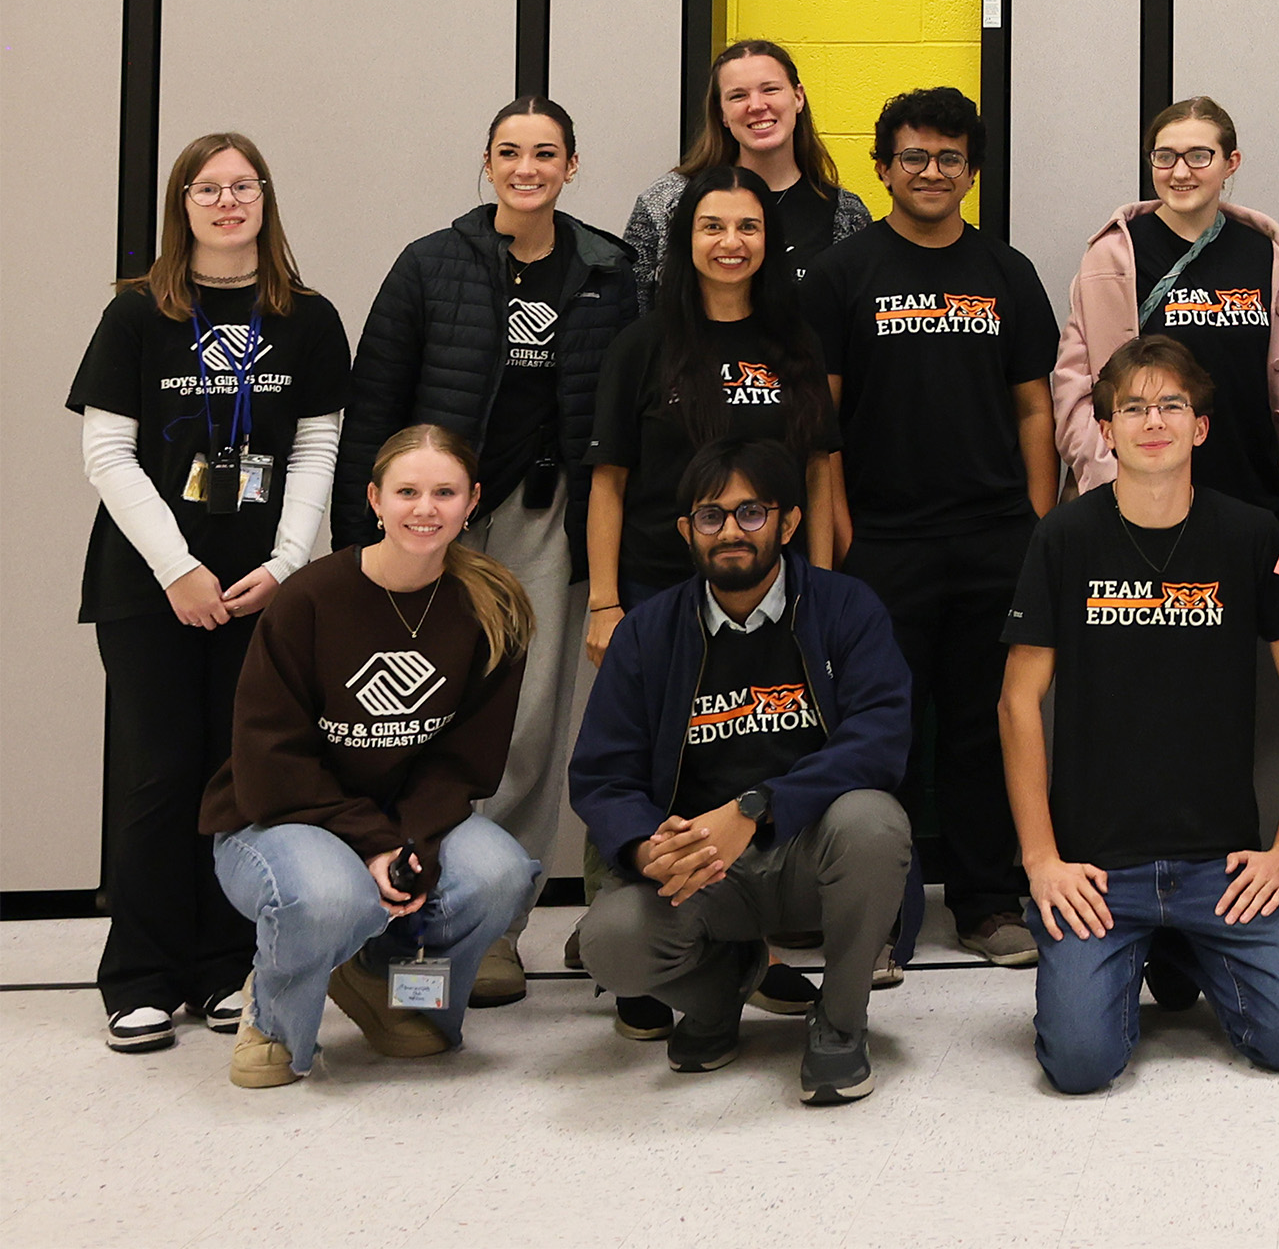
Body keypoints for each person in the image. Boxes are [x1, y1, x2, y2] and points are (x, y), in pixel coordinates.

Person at [338, 97, 636, 1001]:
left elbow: (625, 412)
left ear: (571, 167)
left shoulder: (607, 270)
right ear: (488, 162)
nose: (527, 168)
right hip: (438, 525)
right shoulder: (432, 264)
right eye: (510, 152)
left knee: (531, 723)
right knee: (417, 714)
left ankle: (496, 926)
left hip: (548, 518)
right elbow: (374, 405)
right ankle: (393, 914)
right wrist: (361, 548)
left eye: (546, 154)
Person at [67, 132, 350, 1054]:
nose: (228, 202)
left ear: (266, 201)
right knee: (159, 772)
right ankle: (141, 976)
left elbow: (317, 448)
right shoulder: (137, 316)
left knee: (240, 778)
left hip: (260, 584)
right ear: (181, 204)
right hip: (152, 584)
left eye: (244, 186)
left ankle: (230, 965)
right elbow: (108, 454)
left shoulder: (306, 318)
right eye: (207, 188)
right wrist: (177, 570)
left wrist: (288, 561)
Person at [1003, 337, 1279, 1093]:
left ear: (1200, 428)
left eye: (1172, 405)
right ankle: (1149, 947)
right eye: (1133, 407)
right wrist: (1041, 860)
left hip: (1219, 864)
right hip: (1096, 866)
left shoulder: (1248, 535)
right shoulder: (1065, 537)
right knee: (1080, 1067)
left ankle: (1178, 948)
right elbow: (1017, 700)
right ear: (1105, 432)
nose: (1154, 421)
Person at [569, 437, 914, 1106]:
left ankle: (840, 1025)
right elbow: (601, 776)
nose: (730, 530)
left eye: (751, 512)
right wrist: (649, 847)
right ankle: (721, 994)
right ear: (686, 531)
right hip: (703, 872)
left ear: (787, 522)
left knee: (873, 822)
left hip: (813, 854)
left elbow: (881, 738)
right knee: (606, 945)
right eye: (711, 515)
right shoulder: (647, 633)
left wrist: (757, 807)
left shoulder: (847, 607)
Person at [802, 86, 1059, 968]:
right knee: (886, 732)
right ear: (882, 168)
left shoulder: (1006, 271)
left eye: (950, 158)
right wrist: (836, 545)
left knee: (987, 727)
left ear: (971, 172)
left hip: (995, 537)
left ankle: (989, 904)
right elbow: (822, 430)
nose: (932, 172)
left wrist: (1035, 521)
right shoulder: (844, 276)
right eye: (914, 156)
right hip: (883, 542)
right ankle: (885, 916)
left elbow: (1036, 409)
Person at [204, 425, 539, 1088]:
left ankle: (385, 983)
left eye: (444, 492)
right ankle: (272, 1024)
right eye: (407, 491)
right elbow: (272, 763)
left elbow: (465, 762)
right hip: (278, 818)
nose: (425, 509)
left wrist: (409, 842)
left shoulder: (493, 604)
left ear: (472, 501)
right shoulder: (310, 598)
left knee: (500, 874)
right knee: (334, 897)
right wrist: (378, 845)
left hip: (403, 811)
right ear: (374, 500)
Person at [589, 168, 839, 631]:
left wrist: (820, 586)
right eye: (712, 227)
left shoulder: (799, 344)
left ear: (769, 239)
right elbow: (608, 483)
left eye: (748, 227)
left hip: (779, 589)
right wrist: (604, 604)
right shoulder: (640, 345)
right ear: (686, 239)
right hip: (659, 588)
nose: (731, 242)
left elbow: (817, 471)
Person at [1052, 96, 1279, 514]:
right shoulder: (1118, 254)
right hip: (1143, 501)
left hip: (1252, 496)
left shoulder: (1266, 254)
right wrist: (1112, 480)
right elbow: (1076, 390)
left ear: (1231, 163)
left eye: (1199, 156)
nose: (1181, 171)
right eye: (1165, 156)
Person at [622, 39, 870, 309]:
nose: (756, 105)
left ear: (798, 97)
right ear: (722, 113)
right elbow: (633, 315)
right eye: (738, 95)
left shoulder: (846, 214)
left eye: (770, 90)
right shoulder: (664, 203)